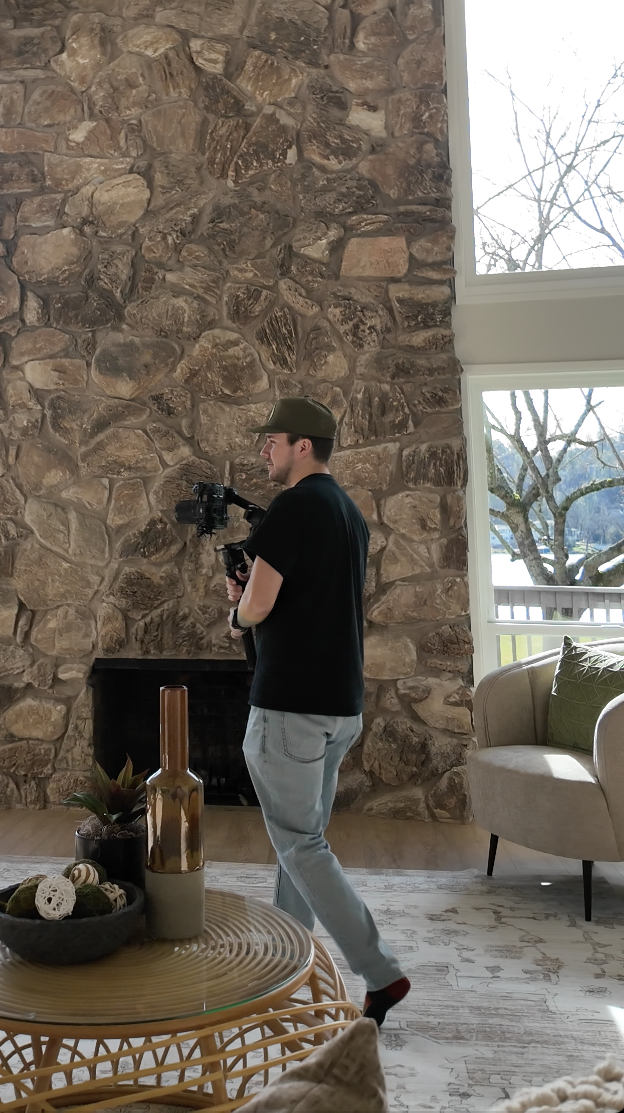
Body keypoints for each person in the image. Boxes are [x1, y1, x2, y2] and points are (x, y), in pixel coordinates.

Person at [225, 395, 410, 1026]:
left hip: (291, 706)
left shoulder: (292, 506)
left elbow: (257, 607)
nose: (264, 449)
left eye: (272, 440)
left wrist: (236, 612)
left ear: (302, 445)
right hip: (339, 705)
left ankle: (381, 973)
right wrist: (251, 595)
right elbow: (304, 597)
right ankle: (281, 970)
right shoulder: (347, 513)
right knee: (301, 843)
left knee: (300, 845)